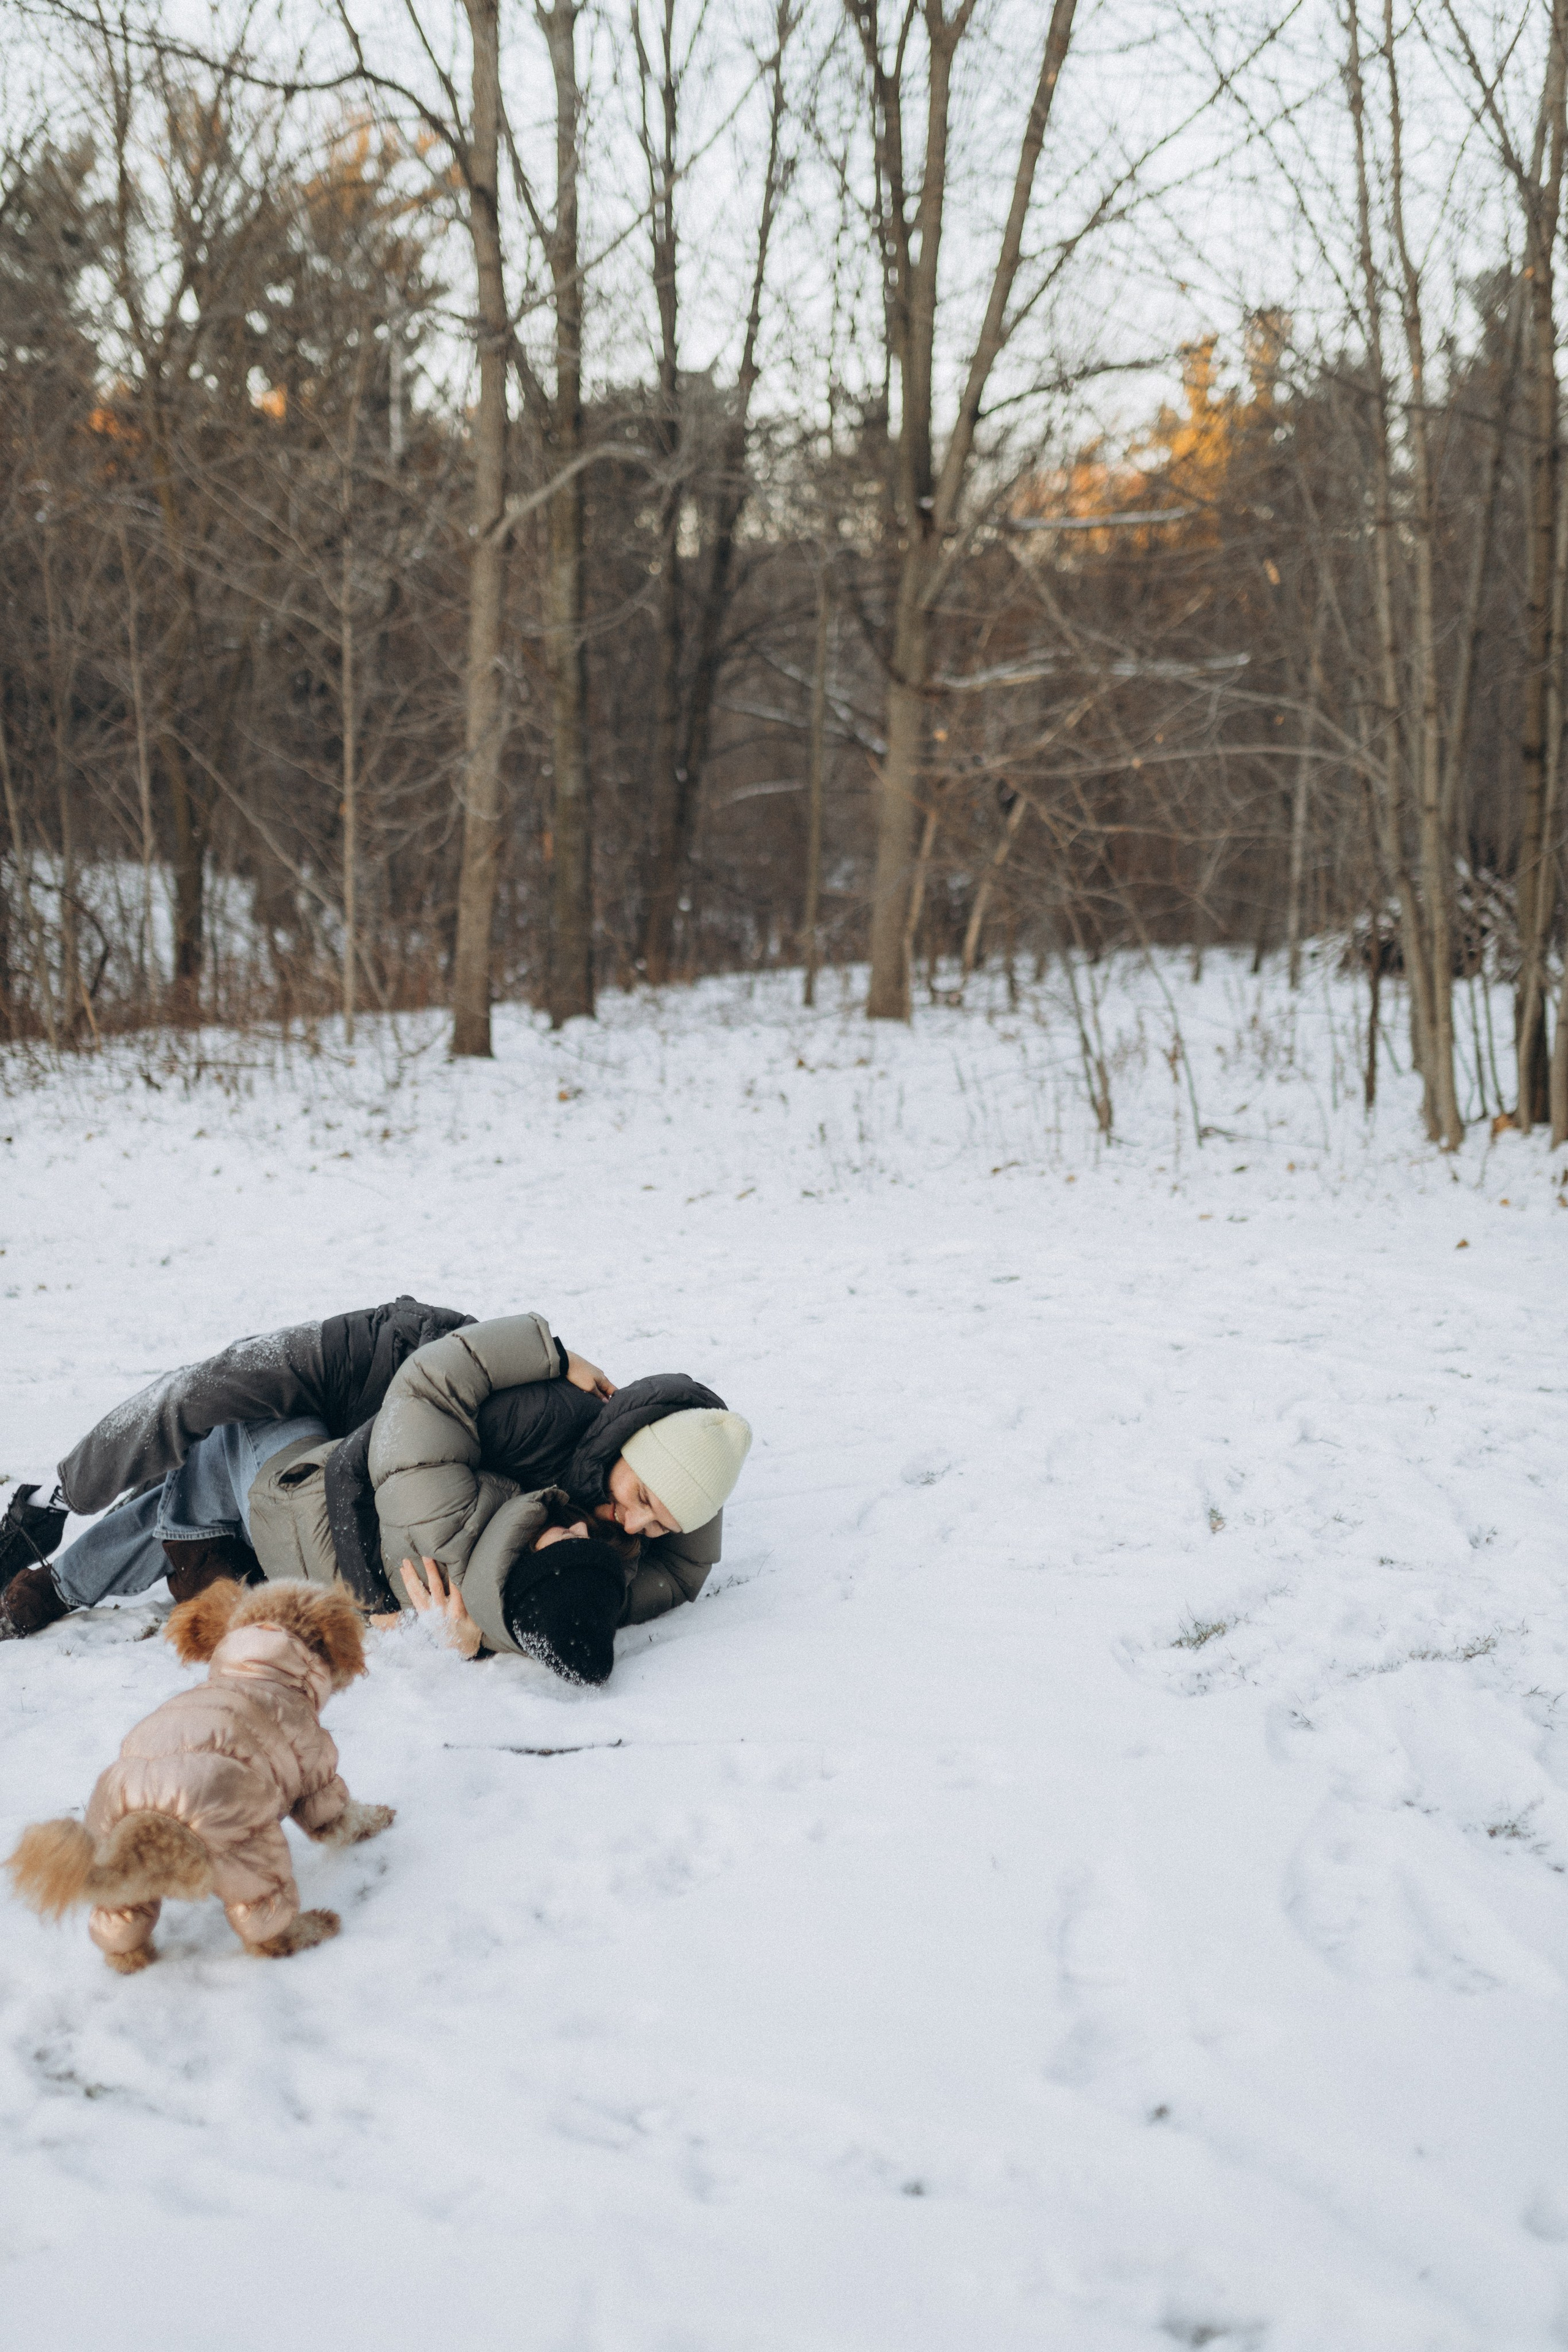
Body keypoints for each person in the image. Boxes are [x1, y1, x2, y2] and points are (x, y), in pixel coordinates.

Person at [1, 1305, 752, 1686]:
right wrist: (550, 1352)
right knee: (192, 1404)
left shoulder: (602, 1516)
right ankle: (54, 1500)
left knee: (207, 1465)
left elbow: (676, 1561)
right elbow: (370, 1453)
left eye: (662, 1522)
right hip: (353, 1366)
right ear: (630, 1444)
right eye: (641, 1494)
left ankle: (73, 1577)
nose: (635, 1522)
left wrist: (692, 1500)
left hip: (373, 1442)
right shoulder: (548, 1416)